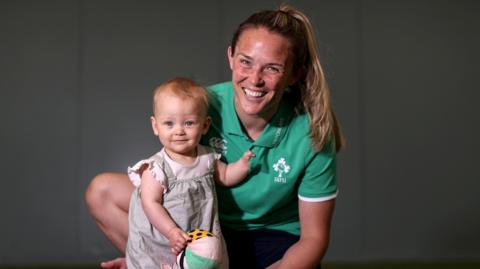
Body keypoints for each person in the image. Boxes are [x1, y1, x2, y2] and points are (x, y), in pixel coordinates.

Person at [85, 3, 345, 269]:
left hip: (274, 238)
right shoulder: (201, 105)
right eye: (246, 62)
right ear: (231, 57)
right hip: (206, 226)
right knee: (102, 191)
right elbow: (169, 177)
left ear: (294, 74)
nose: (254, 79)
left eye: (272, 68)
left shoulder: (313, 130)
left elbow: (314, 240)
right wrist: (145, 257)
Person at [124, 78, 253, 269]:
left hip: (199, 232)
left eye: (189, 123)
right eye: (169, 123)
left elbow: (225, 177)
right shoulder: (156, 168)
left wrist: (242, 165)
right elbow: (150, 204)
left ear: (205, 125)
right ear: (155, 126)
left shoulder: (207, 157)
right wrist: (171, 231)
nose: (179, 131)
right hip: (165, 236)